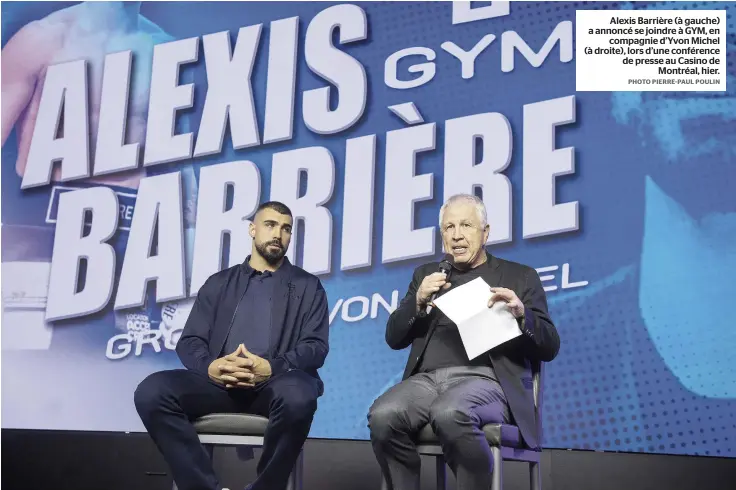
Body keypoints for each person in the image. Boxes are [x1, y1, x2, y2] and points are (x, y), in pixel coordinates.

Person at [368, 194, 560, 490]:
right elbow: (394, 337)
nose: (456, 235)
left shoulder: (519, 276)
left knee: (450, 412)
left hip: (487, 382)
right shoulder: (427, 275)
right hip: (427, 382)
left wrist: (522, 315)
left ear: (486, 232)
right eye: (448, 227)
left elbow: (549, 346)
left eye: (466, 225)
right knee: (383, 415)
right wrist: (417, 302)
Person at [134, 201, 330, 490]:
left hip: (275, 384)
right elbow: (190, 341)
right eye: (270, 225)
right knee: (152, 392)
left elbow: (315, 347)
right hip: (219, 384)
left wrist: (271, 367)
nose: (278, 233)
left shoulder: (307, 286)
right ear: (252, 230)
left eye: (286, 228)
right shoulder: (218, 283)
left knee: (300, 396)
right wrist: (210, 367)